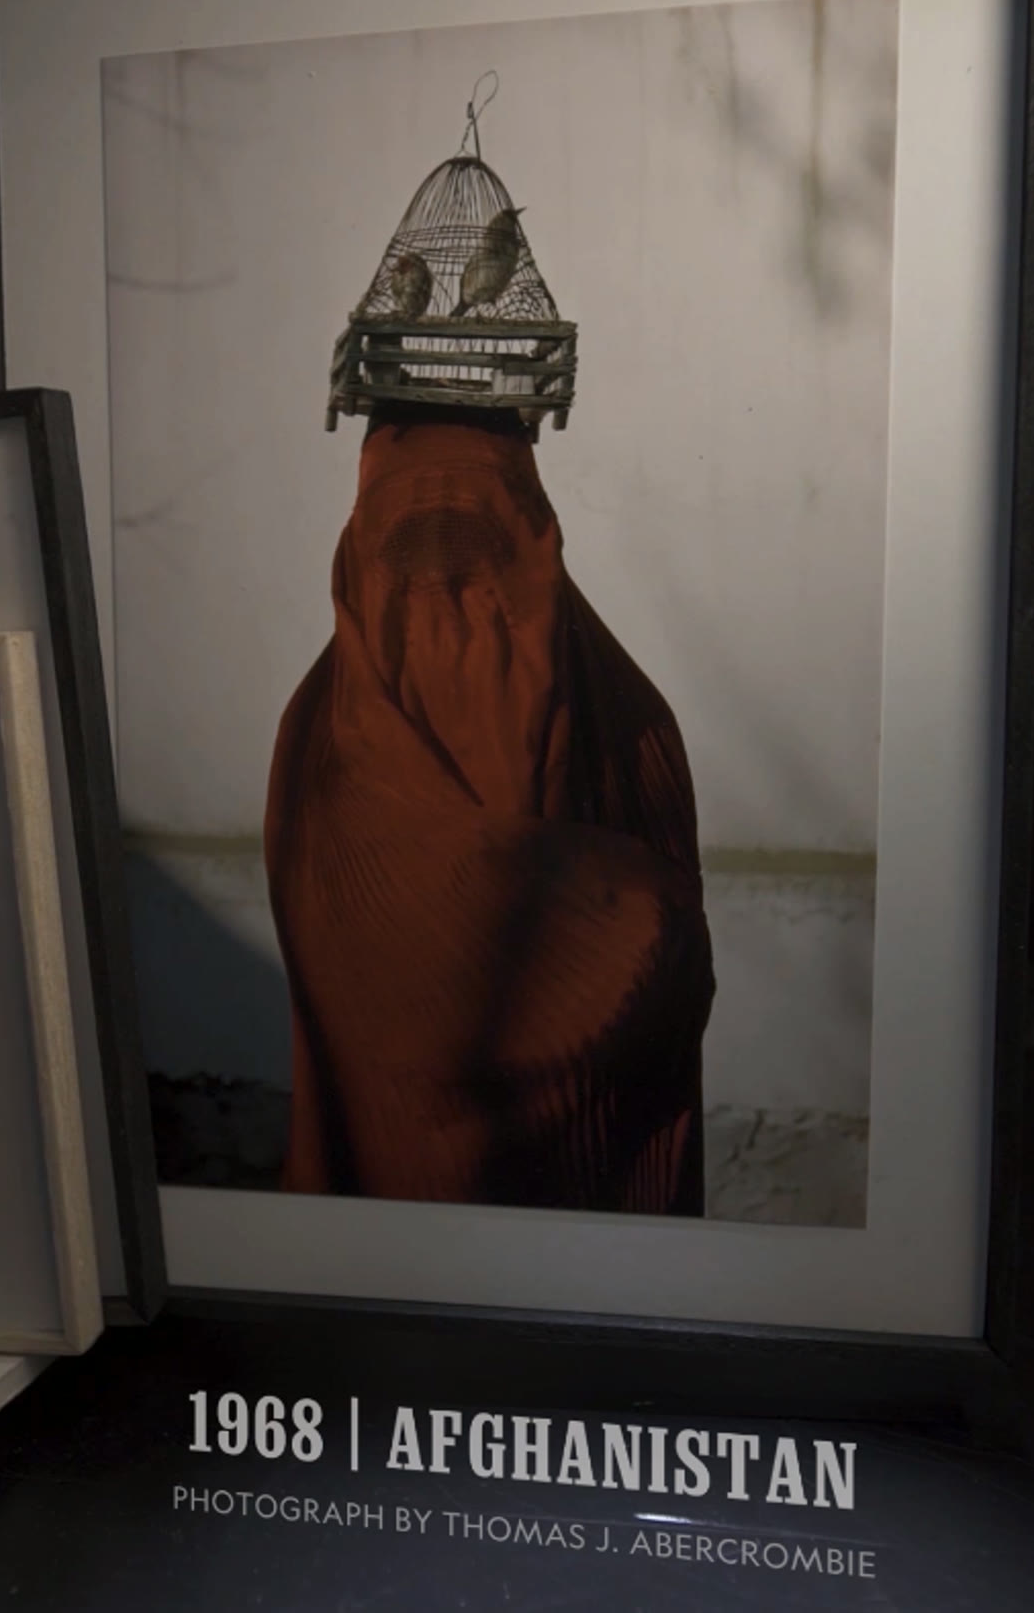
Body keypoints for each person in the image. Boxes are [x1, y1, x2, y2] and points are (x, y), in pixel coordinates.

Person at [264, 401, 715, 1214]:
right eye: (409, 549)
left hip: (594, 1201)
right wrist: (638, 926)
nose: (448, 584)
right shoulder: (320, 742)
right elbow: (395, 1005)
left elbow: (672, 999)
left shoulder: (629, 725)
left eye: (482, 545)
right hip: (392, 1192)